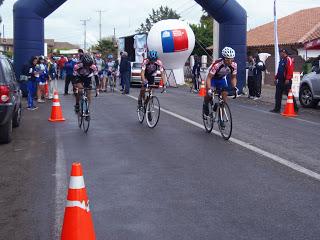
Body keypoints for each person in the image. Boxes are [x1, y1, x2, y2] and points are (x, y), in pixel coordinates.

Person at [203, 46, 238, 116]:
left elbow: (233, 77)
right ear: (224, 58)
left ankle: (221, 119)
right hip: (211, 77)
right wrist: (209, 89)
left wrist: (234, 87)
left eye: (231, 59)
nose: (230, 61)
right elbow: (209, 78)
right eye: (228, 59)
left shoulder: (234, 65)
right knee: (209, 94)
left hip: (221, 78)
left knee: (224, 96)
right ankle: (206, 104)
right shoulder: (217, 65)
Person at [270, 49, 298, 113]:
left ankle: (295, 108)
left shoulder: (288, 59)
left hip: (286, 80)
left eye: (281, 52)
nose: (280, 54)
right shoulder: (281, 60)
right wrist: (275, 78)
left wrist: (288, 79)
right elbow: (279, 70)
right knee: (278, 95)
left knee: (289, 94)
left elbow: (290, 70)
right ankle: (277, 109)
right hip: (280, 80)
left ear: (284, 53)